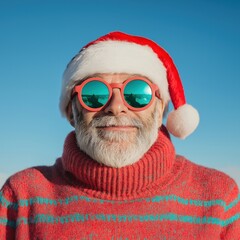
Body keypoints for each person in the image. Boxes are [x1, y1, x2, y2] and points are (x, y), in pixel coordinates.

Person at [0, 31, 239, 239]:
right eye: (94, 93)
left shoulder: (219, 199)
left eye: (137, 93)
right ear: (71, 112)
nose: (116, 106)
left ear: (160, 112)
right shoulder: (21, 197)